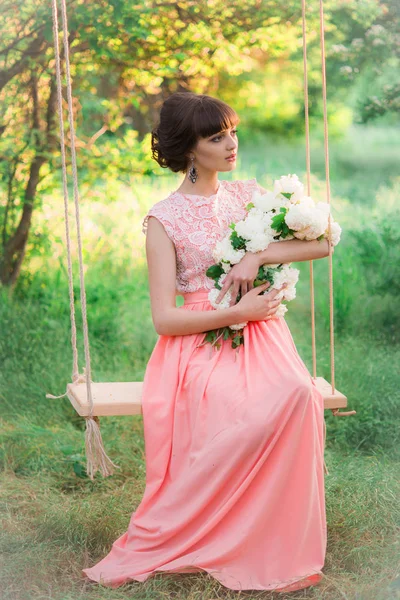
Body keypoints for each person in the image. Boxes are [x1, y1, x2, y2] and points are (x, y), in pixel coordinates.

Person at [82, 92, 329, 593]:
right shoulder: (163, 219)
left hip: (262, 332)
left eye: (232, 131)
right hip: (199, 341)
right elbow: (163, 318)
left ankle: (272, 536)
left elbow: (323, 242)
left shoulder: (249, 197)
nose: (231, 143)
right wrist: (234, 311)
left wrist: (256, 259)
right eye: (217, 137)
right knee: (244, 413)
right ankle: (216, 529)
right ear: (191, 150)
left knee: (299, 396)